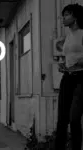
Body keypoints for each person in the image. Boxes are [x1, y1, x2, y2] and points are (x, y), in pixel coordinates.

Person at [55, 3, 83, 150]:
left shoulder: (82, 33)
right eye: (63, 15)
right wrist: (64, 65)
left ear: (76, 16)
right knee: (62, 120)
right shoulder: (68, 36)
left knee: (74, 119)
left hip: (81, 79)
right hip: (67, 78)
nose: (63, 18)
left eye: (67, 15)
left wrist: (76, 65)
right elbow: (69, 56)